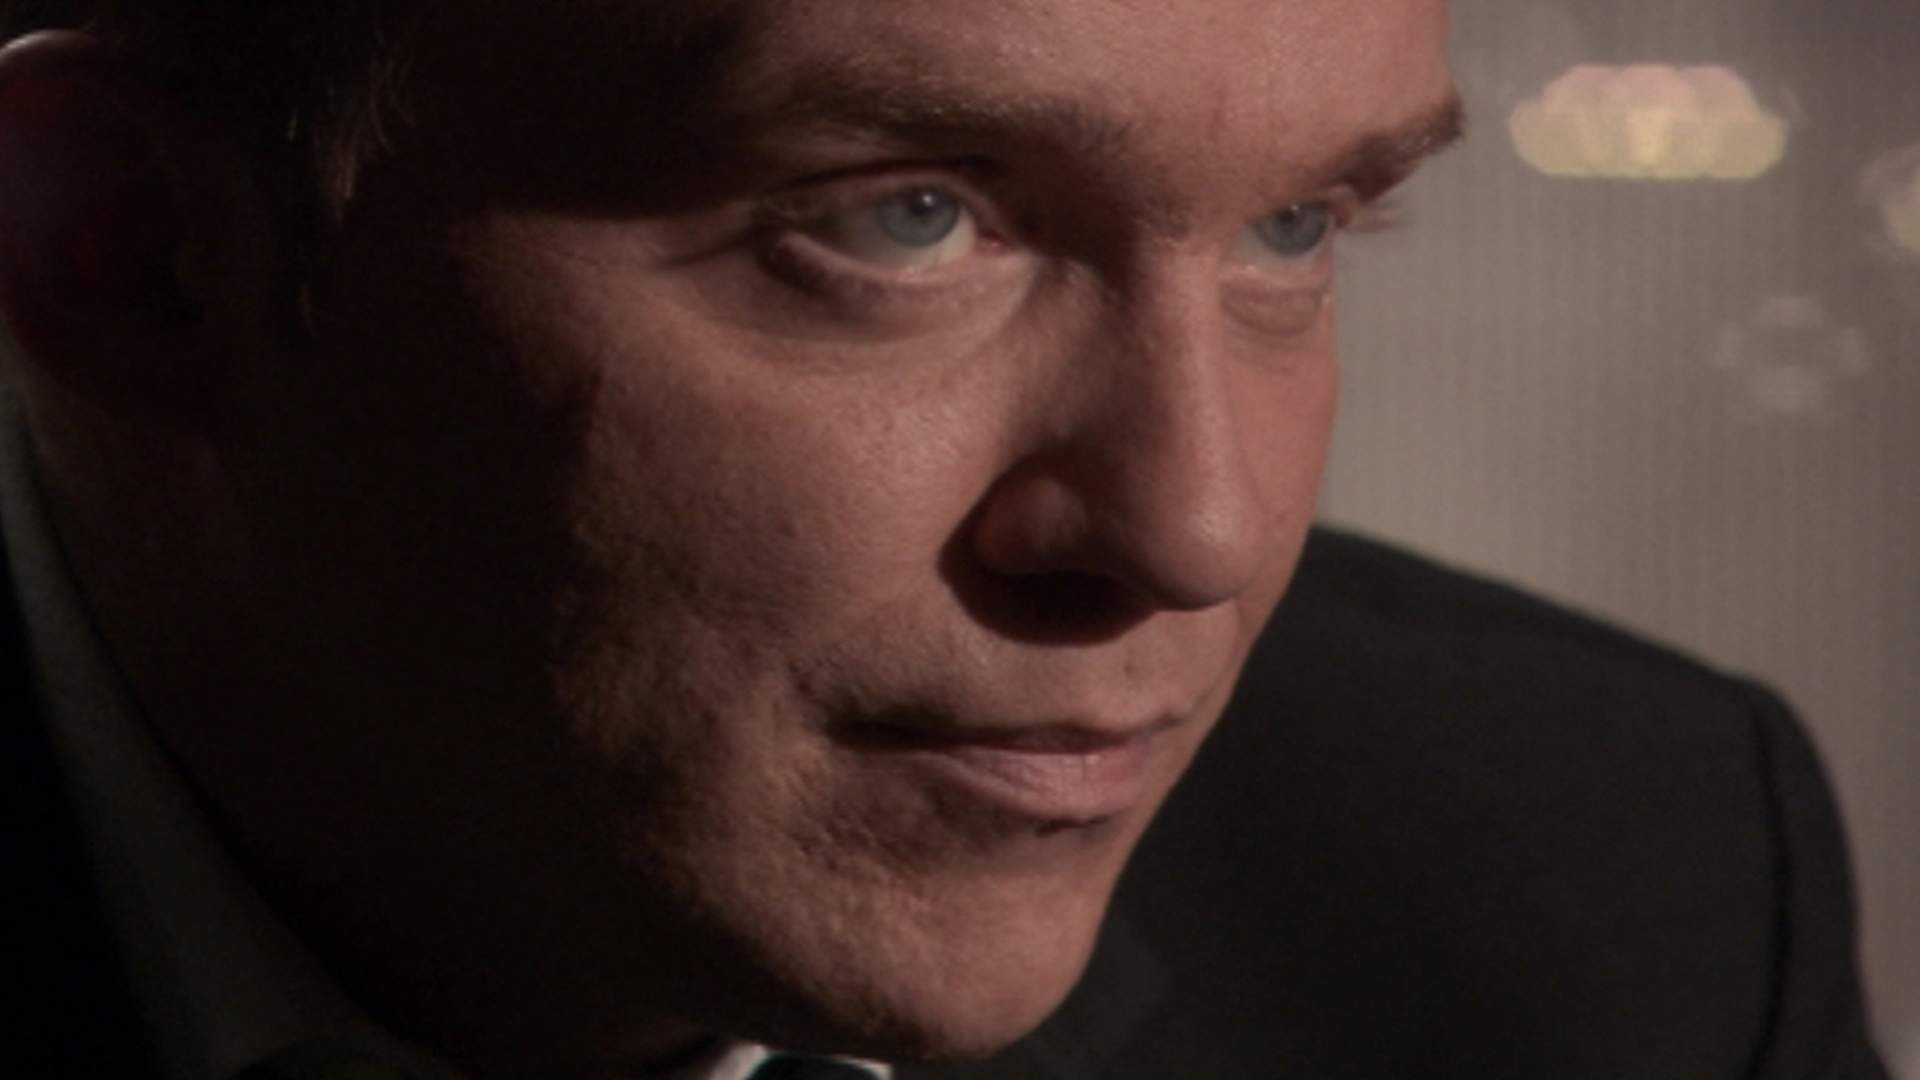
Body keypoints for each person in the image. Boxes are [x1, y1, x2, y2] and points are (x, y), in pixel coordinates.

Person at [0, 0, 1890, 1078]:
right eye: (902, 218)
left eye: (1296, 228)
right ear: (136, 255)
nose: (1198, 532)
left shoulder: (1621, 903)